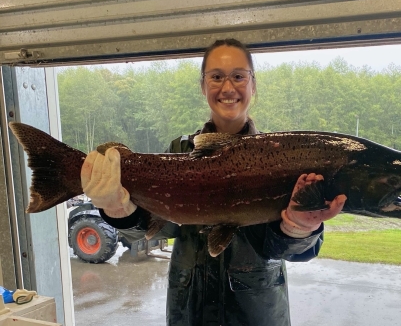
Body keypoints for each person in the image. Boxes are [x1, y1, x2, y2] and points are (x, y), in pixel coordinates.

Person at [80, 38, 347, 326]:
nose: (228, 87)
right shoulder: (179, 152)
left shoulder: (283, 156)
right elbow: (159, 229)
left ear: (253, 85)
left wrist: (299, 231)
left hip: (257, 314)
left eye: (238, 76)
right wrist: (119, 213)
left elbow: (295, 252)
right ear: (203, 86)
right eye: (217, 77)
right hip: (189, 312)